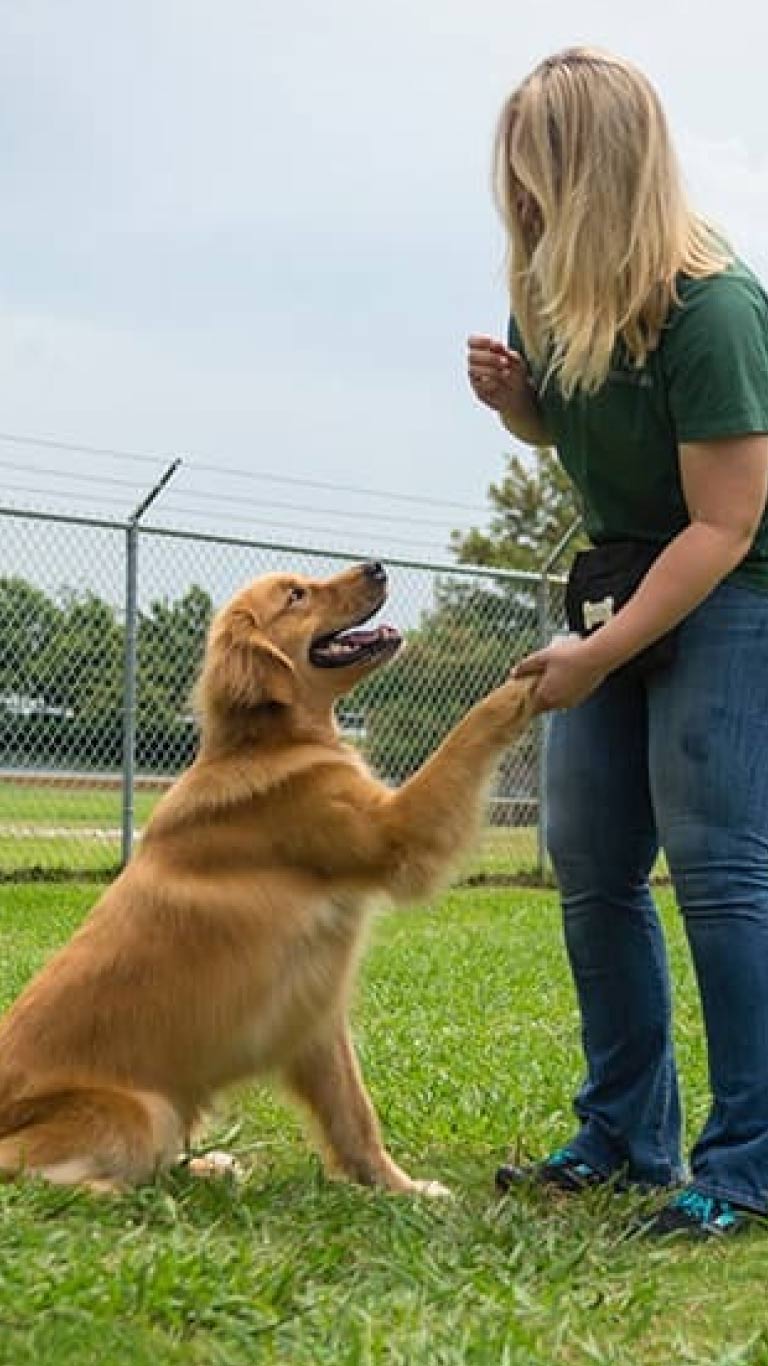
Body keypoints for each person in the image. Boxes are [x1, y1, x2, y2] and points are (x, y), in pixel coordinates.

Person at [468, 46, 768, 1239]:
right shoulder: (546, 285)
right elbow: (577, 428)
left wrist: (596, 657)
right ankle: (625, 1134)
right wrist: (517, 406)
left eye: (538, 176)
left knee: (720, 869)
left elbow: (727, 521)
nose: (521, 202)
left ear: (599, 172)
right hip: (618, 578)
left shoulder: (716, 308)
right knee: (588, 859)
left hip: (733, 587)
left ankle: (745, 1165)